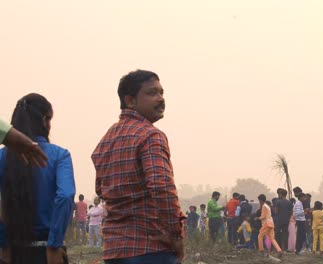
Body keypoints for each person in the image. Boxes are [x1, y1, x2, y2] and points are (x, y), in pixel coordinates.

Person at [92, 70, 185, 264]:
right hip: (150, 248)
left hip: (114, 251)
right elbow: (161, 187)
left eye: (161, 92)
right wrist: (175, 235)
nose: (160, 99)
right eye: (152, 93)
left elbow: (101, 189)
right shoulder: (151, 136)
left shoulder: (106, 140)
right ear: (130, 101)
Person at [0, 93, 75, 264]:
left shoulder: (2, 157)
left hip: (11, 252)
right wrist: (54, 245)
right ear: (44, 120)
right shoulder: (59, 156)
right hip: (49, 253)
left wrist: (3, 243)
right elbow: (65, 196)